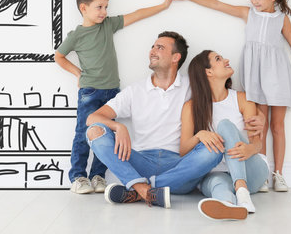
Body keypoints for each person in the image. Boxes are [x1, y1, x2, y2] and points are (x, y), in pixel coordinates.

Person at [171, 0, 291, 192]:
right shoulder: (248, 14)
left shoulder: (282, 19)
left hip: (277, 74)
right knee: (257, 125)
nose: (253, 1)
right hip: (255, 74)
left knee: (278, 126)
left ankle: (278, 174)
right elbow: (217, 4)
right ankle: (261, 172)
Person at [55, 0, 173, 195]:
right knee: (83, 133)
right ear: (84, 8)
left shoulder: (108, 25)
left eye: (106, 7)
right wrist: (77, 73)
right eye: (99, 7)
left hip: (112, 91)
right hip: (89, 92)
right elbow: (59, 57)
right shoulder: (77, 35)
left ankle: (98, 176)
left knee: (106, 133)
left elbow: (137, 15)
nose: (104, 12)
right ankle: (78, 177)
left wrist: (163, 6)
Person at [85, 32, 224, 208]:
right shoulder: (135, 90)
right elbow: (92, 118)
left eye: (160, 47)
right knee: (95, 131)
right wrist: (118, 126)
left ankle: (139, 190)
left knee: (215, 149)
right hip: (141, 162)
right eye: (152, 46)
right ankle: (144, 189)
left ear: (176, 57)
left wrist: (254, 115)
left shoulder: (192, 86)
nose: (152, 51)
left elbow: (223, 97)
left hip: (180, 167)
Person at [180, 50, 268, 220]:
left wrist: (250, 149)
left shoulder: (242, 99)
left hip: (251, 172)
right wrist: (200, 135)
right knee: (218, 184)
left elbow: (257, 143)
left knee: (225, 125)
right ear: (208, 72)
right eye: (218, 59)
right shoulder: (191, 107)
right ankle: (229, 206)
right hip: (216, 172)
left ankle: (242, 191)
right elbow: (183, 150)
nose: (227, 60)